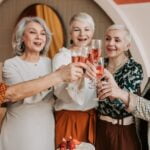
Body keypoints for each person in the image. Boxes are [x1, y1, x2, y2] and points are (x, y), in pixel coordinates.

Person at [0, 16, 86, 150]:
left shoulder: (50, 62)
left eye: (43, 33)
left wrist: (76, 82)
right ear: (22, 37)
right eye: (33, 32)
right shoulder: (11, 64)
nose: (39, 37)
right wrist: (57, 76)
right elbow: (14, 94)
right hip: (19, 130)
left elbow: (63, 96)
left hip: (45, 129)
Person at [52, 12, 98, 148]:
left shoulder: (95, 58)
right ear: (71, 33)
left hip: (91, 119)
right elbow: (60, 94)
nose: (82, 34)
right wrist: (79, 79)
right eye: (77, 30)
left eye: (87, 29)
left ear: (92, 32)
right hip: (69, 118)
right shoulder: (61, 57)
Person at [96, 24, 143, 150]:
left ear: (127, 46)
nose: (110, 43)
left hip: (123, 131)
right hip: (100, 128)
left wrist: (112, 85)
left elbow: (122, 105)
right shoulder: (100, 63)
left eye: (117, 40)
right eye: (107, 38)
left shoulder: (134, 68)